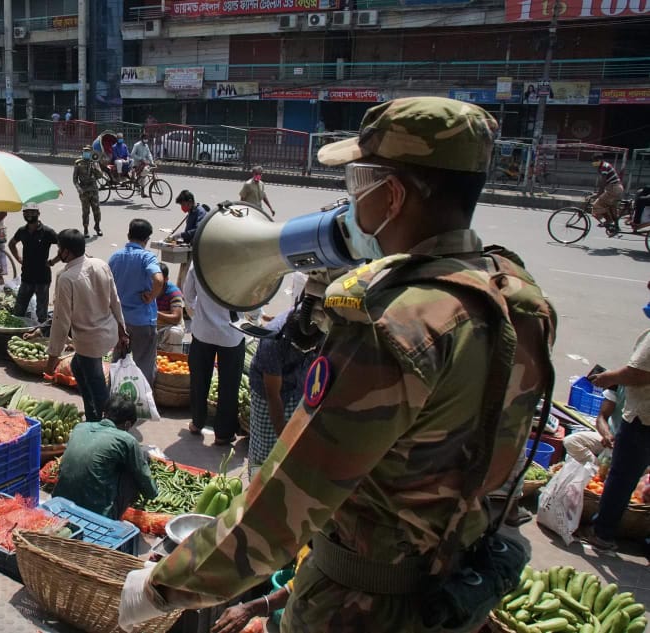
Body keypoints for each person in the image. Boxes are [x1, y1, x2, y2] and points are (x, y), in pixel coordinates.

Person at [119, 97, 556, 633]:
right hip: (450, 591)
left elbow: (287, 500)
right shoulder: (514, 296)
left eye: (358, 184)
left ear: (392, 197)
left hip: (363, 610)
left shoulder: (394, 325)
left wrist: (162, 586)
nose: (351, 200)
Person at [583, 289, 650, 552]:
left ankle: (603, 533)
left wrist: (609, 377)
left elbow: (638, 372)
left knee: (621, 478)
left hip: (643, 419)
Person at [46, 229, 129, 422]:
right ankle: (92, 415)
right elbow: (114, 299)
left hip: (88, 341)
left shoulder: (66, 279)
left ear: (66, 251)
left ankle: (109, 425)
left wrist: (52, 357)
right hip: (107, 333)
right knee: (77, 367)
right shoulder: (100, 264)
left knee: (96, 383)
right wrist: (121, 328)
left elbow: (61, 321)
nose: (58, 254)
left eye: (59, 249)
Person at [51, 395, 158, 520]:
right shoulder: (127, 440)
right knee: (138, 463)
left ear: (104, 413)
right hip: (97, 513)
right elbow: (144, 479)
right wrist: (153, 493)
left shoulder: (80, 427)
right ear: (127, 424)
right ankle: (112, 515)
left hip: (60, 501)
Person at [247, 301, 322, 478]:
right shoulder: (272, 341)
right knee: (266, 447)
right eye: (299, 348)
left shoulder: (321, 324)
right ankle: (257, 486)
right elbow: (273, 396)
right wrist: (283, 438)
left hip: (300, 385)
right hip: (269, 394)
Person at [184, 273, 249, 445]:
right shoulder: (241, 264)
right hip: (231, 334)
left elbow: (188, 295)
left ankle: (197, 423)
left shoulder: (199, 260)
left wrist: (204, 312)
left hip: (203, 331)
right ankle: (223, 433)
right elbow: (252, 300)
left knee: (199, 379)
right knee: (229, 385)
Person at [109, 219, 165, 386]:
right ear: (147, 240)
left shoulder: (115, 257)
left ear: (128, 235)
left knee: (118, 362)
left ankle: (113, 401)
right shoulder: (147, 257)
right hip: (142, 322)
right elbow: (159, 280)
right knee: (144, 366)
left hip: (120, 321)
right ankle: (141, 405)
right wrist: (151, 296)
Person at [9, 204, 59, 321]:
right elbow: (12, 244)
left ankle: (43, 336)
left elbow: (63, 245)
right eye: (26, 213)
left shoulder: (47, 232)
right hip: (26, 278)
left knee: (42, 314)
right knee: (18, 312)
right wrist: (19, 259)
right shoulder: (22, 231)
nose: (29, 215)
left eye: (32, 212)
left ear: (38, 214)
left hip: (42, 279)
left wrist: (53, 261)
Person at [563, 386, 623, 464]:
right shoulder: (618, 386)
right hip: (610, 439)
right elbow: (602, 417)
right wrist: (606, 435)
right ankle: (597, 468)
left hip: (631, 447)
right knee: (571, 441)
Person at [73, 146, 105, 237]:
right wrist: (79, 189)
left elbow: (100, 176)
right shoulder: (78, 163)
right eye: (85, 152)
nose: (86, 153)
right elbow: (75, 180)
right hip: (84, 191)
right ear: (82, 153)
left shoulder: (94, 162)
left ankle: (97, 227)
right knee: (86, 211)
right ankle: (86, 229)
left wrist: (95, 167)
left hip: (93, 189)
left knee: (97, 210)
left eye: (88, 152)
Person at [591, 154, 625, 234]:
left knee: (596, 205)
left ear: (600, 160)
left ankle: (608, 220)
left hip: (613, 189)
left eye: (595, 161)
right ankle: (616, 228)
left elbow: (603, 181)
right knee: (612, 209)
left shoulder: (604, 166)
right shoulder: (604, 166)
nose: (593, 163)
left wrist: (599, 194)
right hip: (616, 188)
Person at [155, 263, 185, 353]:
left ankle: (173, 361)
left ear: (166, 279)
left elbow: (176, 318)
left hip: (169, 326)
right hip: (151, 325)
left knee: (174, 333)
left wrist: (156, 314)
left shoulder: (173, 293)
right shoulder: (146, 288)